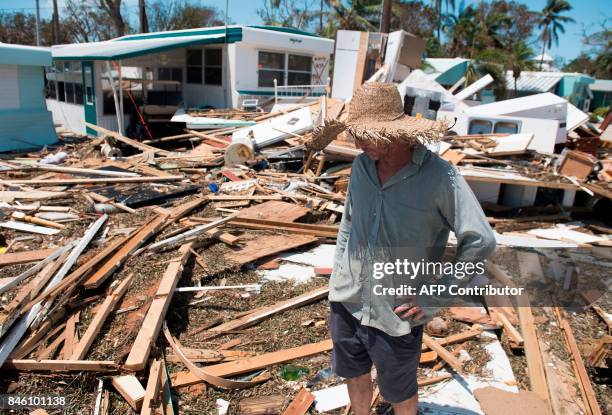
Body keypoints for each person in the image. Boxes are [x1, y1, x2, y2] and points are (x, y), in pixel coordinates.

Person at [328, 82, 496, 415]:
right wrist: (338, 273)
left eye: (367, 134)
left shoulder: (439, 178)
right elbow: (349, 221)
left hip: (396, 310)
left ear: (396, 132)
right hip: (347, 298)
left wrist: (435, 297)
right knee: (354, 370)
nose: (358, 143)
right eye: (356, 134)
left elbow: (481, 241)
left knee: (399, 390)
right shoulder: (361, 167)